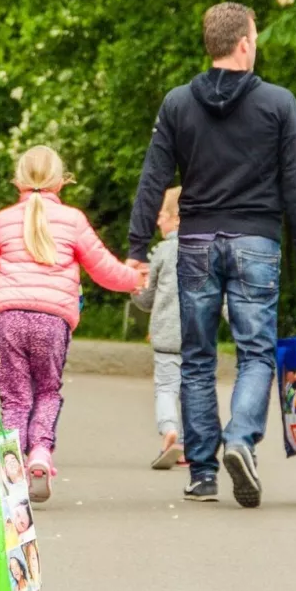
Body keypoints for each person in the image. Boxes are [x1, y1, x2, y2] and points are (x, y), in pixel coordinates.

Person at [125, 2, 296, 509]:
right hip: (256, 241)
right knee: (255, 352)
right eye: (254, 37)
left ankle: (204, 475)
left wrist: (135, 247)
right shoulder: (278, 104)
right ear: (243, 44)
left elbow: (154, 178)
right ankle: (240, 439)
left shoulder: (177, 104)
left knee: (196, 358)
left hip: (193, 243)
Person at [0, 146, 139, 503]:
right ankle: (40, 452)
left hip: (8, 318)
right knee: (48, 390)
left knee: (14, 398)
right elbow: (103, 268)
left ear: (17, 180)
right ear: (61, 181)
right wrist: (135, 279)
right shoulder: (72, 220)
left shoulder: (4, 220)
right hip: (53, 320)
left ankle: (12, 467)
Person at [131, 187, 184, 470]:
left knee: (166, 388)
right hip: (197, 337)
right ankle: (191, 446)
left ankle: (169, 430)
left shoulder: (162, 252)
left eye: (162, 215)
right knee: (194, 390)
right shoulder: (208, 249)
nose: (158, 221)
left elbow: (147, 298)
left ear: (176, 219)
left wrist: (134, 285)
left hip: (166, 336)